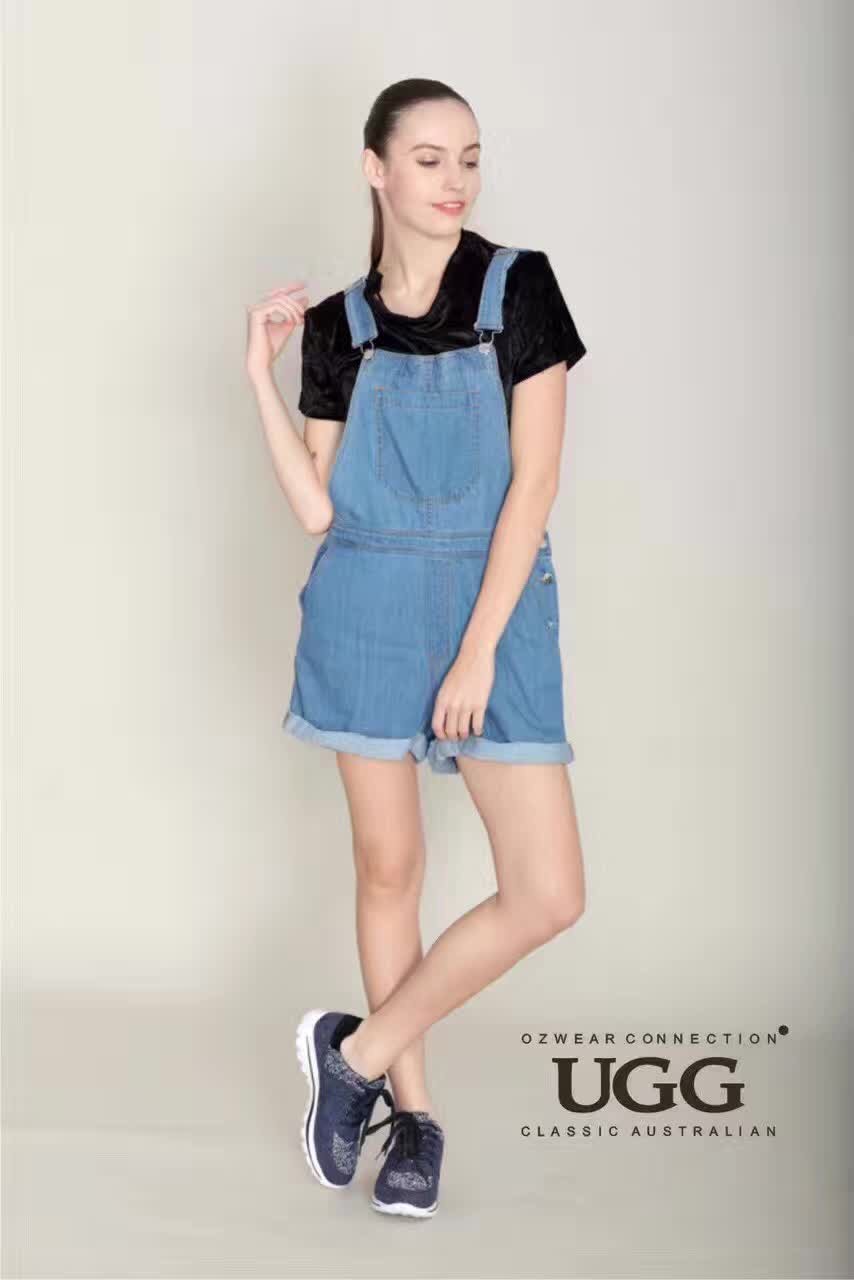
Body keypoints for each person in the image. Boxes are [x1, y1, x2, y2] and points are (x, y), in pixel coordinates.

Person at [245, 78, 588, 1220]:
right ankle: (415, 1115)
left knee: (546, 891)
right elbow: (317, 507)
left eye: (469, 158)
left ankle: (355, 1053)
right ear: (375, 169)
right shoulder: (336, 325)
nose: (455, 182)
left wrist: (478, 650)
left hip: (493, 608)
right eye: (430, 159)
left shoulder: (518, 287)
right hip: (367, 605)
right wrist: (258, 379)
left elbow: (534, 484)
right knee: (389, 870)